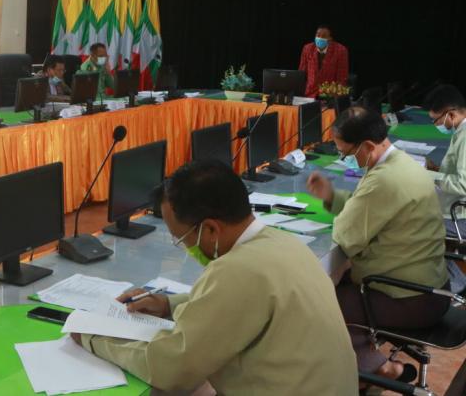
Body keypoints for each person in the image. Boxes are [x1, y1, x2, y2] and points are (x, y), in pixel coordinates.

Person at [72, 160, 358, 395]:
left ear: (210, 229)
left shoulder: (237, 270)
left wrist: (94, 339)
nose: (184, 246)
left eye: (181, 238)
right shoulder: (281, 242)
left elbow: (172, 369)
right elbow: (234, 302)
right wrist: (167, 304)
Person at [306, 107, 448, 382]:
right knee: (341, 284)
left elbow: (346, 234)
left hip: (411, 298)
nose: (346, 160)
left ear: (368, 146)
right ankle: (375, 365)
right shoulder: (401, 163)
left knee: (321, 302)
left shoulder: (384, 179)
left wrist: (340, 213)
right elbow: (369, 208)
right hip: (431, 286)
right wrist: (331, 196)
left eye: (346, 153)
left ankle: (367, 370)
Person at [424, 84, 466, 292]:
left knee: (411, 222)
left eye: (436, 120)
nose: (436, 125)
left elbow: (463, 184)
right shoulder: (461, 130)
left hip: (460, 216)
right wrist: (438, 170)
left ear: (450, 114)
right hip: (456, 207)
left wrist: (430, 176)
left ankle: (454, 284)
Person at [298, 24, 349, 97]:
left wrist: (334, 98)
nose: (320, 38)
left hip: (329, 95)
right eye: (318, 35)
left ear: (330, 39)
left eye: (324, 36)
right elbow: (301, 74)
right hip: (309, 94)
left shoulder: (341, 50)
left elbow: (342, 78)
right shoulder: (307, 48)